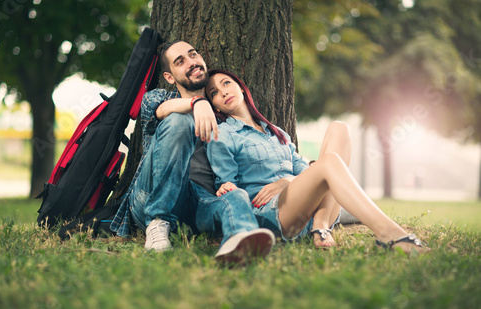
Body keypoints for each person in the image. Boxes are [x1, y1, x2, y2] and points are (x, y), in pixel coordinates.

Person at [205, 69, 428, 254]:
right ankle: (389, 234)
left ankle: (321, 226)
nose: (223, 92)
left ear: (241, 87)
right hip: (275, 215)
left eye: (226, 83)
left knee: (339, 129)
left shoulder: (276, 132)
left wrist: (288, 181)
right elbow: (231, 191)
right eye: (214, 92)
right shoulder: (222, 135)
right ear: (214, 106)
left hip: (311, 210)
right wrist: (228, 188)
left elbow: (303, 169)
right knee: (329, 161)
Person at [110, 41, 275, 264]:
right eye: (180, 61)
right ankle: (157, 222)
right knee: (178, 121)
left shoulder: (224, 112)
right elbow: (162, 111)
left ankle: (238, 240)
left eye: (193, 54)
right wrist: (197, 102)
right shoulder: (158, 98)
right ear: (169, 77)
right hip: (150, 197)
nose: (192, 62)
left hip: (197, 205)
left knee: (236, 195)